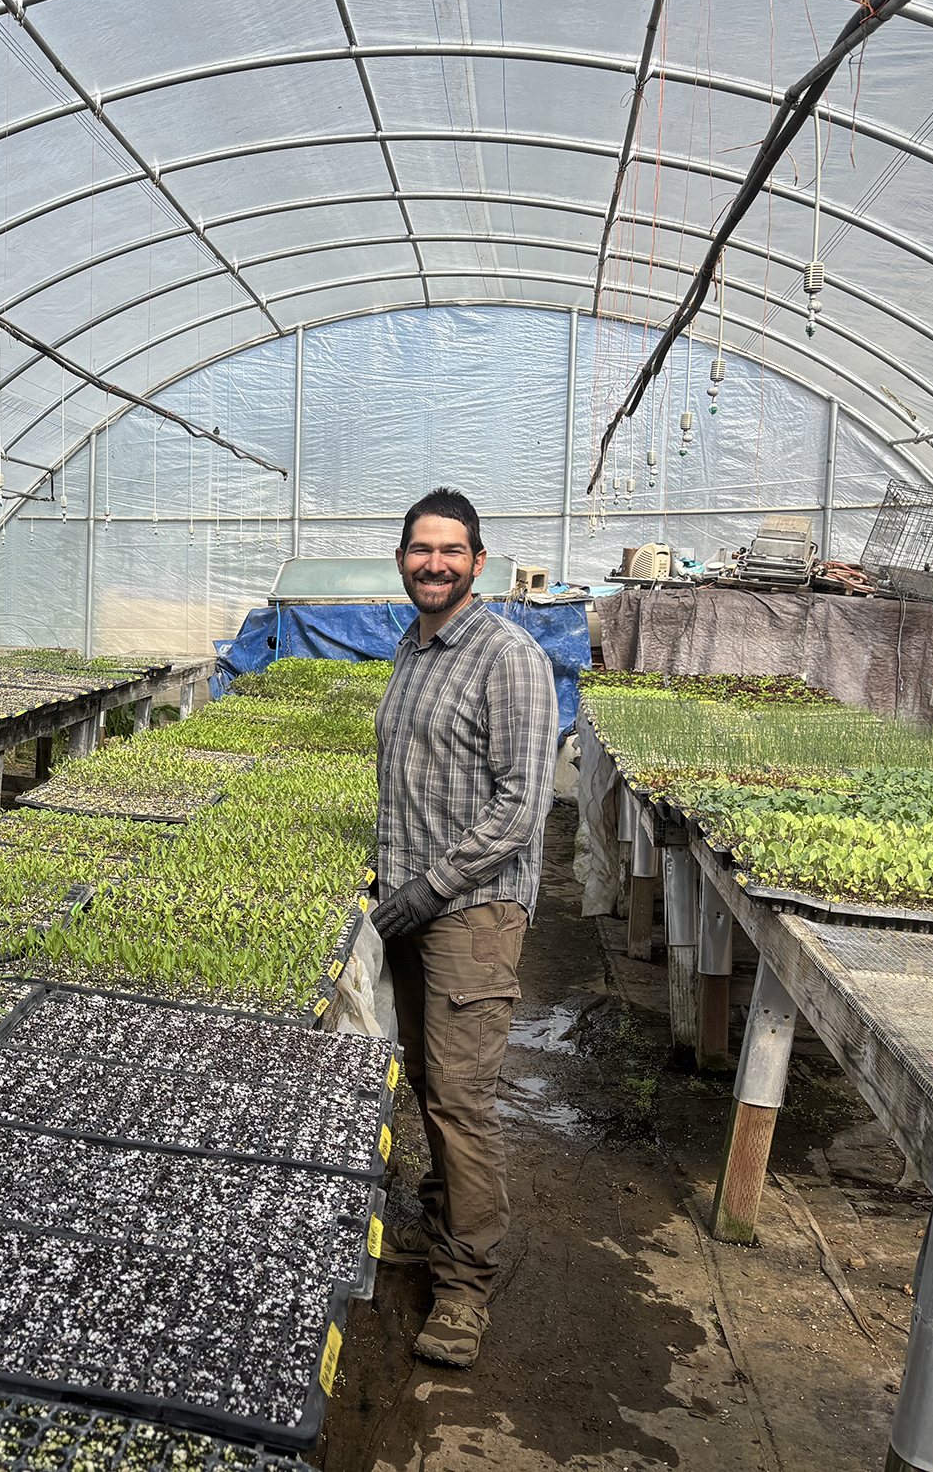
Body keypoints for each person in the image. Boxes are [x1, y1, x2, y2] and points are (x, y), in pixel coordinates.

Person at [368, 486, 557, 1370]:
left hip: (470, 912)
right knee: (424, 1075)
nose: (434, 564)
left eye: (451, 551)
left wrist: (432, 886)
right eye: (421, 549)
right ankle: (441, 1221)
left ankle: (464, 1287)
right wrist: (390, 880)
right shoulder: (413, 647)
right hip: (409, 901)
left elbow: (521, 806)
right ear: (402, 559)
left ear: (479, 562)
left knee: (460, 1099)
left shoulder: (507, 657)